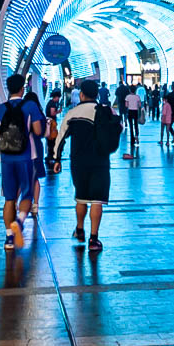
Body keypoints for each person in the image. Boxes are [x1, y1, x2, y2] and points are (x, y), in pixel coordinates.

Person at [52, 79, 116, 250]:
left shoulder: (73, 113)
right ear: (97, 94)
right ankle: (94, 239)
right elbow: (117, 129)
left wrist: (57, 159)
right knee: (97, 200)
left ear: (81, 94)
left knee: (81, 197)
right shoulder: (105, 111)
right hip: (101, 161)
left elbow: (60, 138)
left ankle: (80, 230)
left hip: (79, 162)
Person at [0, 75, 46, 249]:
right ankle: (20, 221)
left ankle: (9, 238)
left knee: (9, 199)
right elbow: (38, 131)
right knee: (27, 194)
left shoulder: (0, 108)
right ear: (22, 88)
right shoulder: (30, 106)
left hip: (6, 158)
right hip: (26, 156)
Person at [122, 82, 142, 153]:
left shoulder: (127, 97)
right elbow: (139, 105)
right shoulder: (137, 97)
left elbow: (126, 105)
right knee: (136, 124)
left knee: (131, 125)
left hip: (130, 111)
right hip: (136, 111)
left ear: (130, 90)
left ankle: (132, 140)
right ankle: (137, 136)